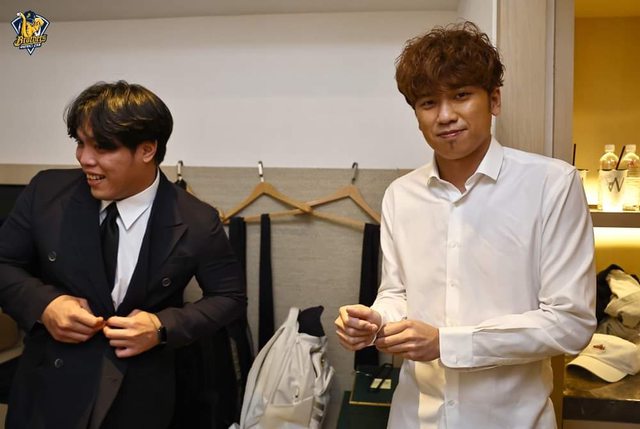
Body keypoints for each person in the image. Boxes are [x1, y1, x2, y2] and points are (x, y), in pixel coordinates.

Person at [335, 22, 596, 428]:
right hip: (414, 417)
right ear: (416, 115)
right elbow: (397, 293)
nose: (445, 116)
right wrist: (377, 320)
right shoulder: (401, 195)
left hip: (512, 420)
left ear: (494, 100)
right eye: (428, 103)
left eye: (460, 95)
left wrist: (447, 343)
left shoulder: (552, 184)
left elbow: (571, 322)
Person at [0, 81, 246, 429]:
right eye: (80, 143)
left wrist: (162, 327)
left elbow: (229, 297)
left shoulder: (197, 219)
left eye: (102, 147)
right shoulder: (46, 193)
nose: (85, 159)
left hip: (140, 393)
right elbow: (4, 263)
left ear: (146, 150)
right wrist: (45, 305)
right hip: (49, 389)